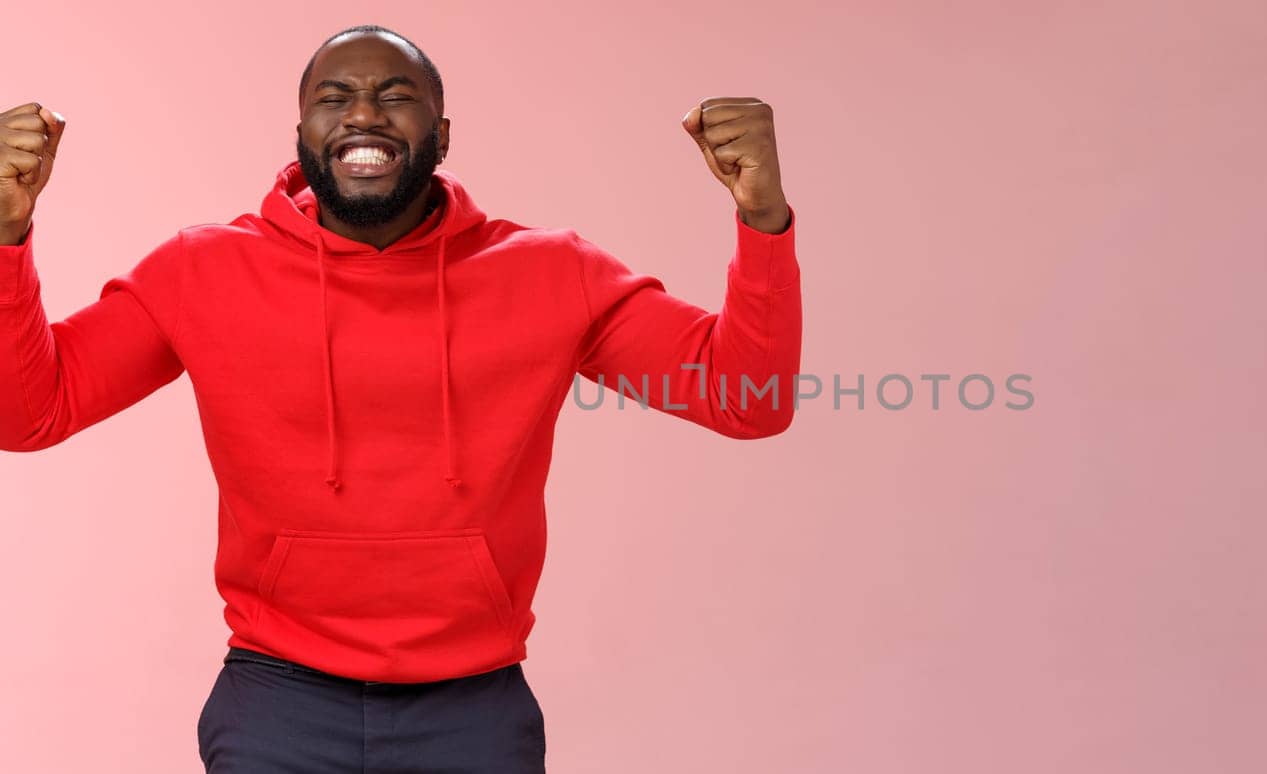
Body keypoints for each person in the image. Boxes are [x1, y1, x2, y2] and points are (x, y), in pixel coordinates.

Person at [0, 24, 800, 773]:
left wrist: (762, 221)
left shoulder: (554, 273)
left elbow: (745, 400)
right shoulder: (199, 271)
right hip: (277, 697)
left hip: (474, 704)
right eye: (334, 97)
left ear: (442, 136)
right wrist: (5, 239)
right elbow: (31, 414)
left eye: (395, 96)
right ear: (303, 134)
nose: (362, 115)